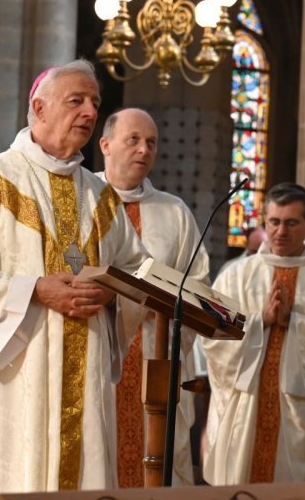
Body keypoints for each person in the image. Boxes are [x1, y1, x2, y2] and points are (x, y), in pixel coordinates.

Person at [0, 60, 149, 498]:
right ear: (39, 107)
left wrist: (110, 290)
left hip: (86, 377)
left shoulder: (101, 198)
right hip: (14, 377)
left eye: (95, 104)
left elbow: (137, 270)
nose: (89, 112)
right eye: (76, 101)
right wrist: (34, 289)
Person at [202, 182, 305, 484]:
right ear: (264, 221)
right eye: (274, 222)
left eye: (291, 223)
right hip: (246, 410)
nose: (280, 231)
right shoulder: (236, 274)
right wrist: (261, 320)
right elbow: (212, 337)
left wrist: (293, 321)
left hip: (300, 418)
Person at [97, 107, 209, 487]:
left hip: (154, 355)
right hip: (96, 349)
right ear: (106, 145)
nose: (144, 149)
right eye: (133, 140)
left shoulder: (174, 212)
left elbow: (198, 284)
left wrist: (162, 304)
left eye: (151, 142)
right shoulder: (81, 201)